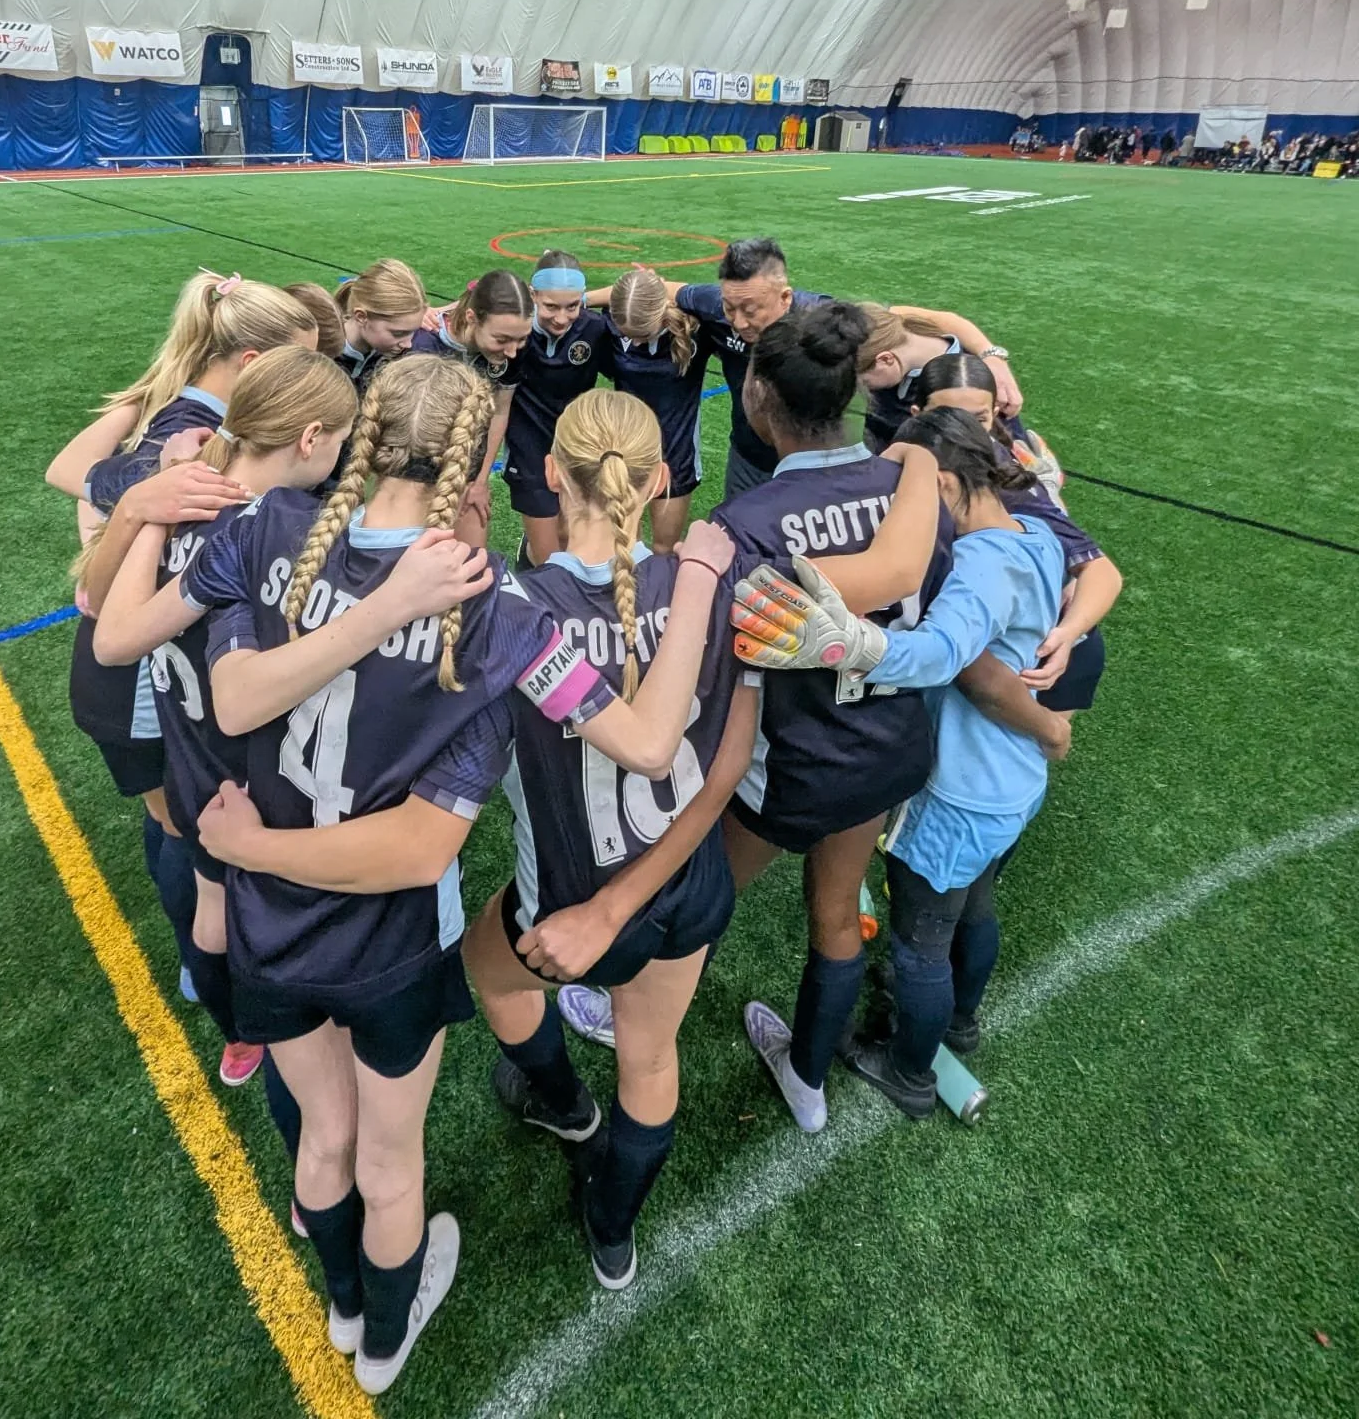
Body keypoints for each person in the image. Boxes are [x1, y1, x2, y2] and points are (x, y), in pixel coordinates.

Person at [159, 354, 727, 1389]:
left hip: (266, 922)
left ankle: (342, 1306)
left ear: (360, 434)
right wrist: (694, 577)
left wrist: (246, 852)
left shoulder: (270, 524)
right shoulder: (499, 609)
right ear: (484, 470)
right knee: (385, 1158)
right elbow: (647, 748)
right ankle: (383, 1340)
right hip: (386, 940)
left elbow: (226, 697)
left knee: (321, 1146)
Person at [464, 388, 757, 1289]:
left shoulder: (512, 608)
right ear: (661, 479)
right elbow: (725, 767)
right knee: (651, 1052)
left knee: (482, 965)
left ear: (552, 475)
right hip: (688, 884)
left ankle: (562, 1105)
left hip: (575, 900)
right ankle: (613, 1230)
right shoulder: (719, 584)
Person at [731, 407, 1075, 1118]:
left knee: (922, 938)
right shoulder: (1033, 532)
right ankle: (959, 1024)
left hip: (962, 785)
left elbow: (960, 663)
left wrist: (853, 645)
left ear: (945, 484)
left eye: (912, 497)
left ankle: (911, 1069)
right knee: (973, 909)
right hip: (1011, 780)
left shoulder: (977, 565)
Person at [86, 346, 360, 1088]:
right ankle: (288, 1039)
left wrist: (152, 507)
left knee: (212, 914)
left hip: (189, 761)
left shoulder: (186, 498)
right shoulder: (270, 530)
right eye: (337, 439)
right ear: (309, 439)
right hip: (257, 773)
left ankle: (238, 1037)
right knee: (284, 918)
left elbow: (106, 626)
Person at [44, 272, 316, 996]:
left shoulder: (188, 415)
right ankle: (208, 972)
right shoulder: (184, 441)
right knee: (186, 834)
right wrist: (137, 507)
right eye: (298, 364)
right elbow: (103, 599)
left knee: (182, 828)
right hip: (138, 684)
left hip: (145, 676)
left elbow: (69, 470)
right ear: (255, 365)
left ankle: (206, 962)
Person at [593, 239, 1019, 497]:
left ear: (785, 298)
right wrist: (571, 301)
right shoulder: (716, 304)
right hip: (748, 455)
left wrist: (992, 356)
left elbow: (929, 319)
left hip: (812, 459)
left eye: (751, 309)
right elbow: (661, 288)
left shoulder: (821, 316)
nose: (738, 321)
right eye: (730, 307)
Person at [908, 354, 1122, 713]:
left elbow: (1102, 571)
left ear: (994, 415)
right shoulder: (915, 456)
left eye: (979, 418)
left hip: (1038, 659)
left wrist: (1066, 636)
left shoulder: (1001, 486)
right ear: (916, 414)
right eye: (948, 416)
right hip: (980, 649)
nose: (965, 431)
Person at [412, 270, 535, 547]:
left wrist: (480, 482)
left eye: (522, 339)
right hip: (417, 474)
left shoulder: (510, 345)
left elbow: (500, 412)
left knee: (471, 561)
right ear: (471, 318)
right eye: (501, 340)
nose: (513, 351)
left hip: (468, 474)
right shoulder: (424, 343)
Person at [502, 251, 606, 566]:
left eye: (572, 306)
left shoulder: (595, 329)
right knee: (550, 559)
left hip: (574, 448)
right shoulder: (514, 332)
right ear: (533, 296)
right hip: (528, 449)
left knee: (569, 539)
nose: (561, 318)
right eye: (550, 306)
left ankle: (531, 555)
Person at [602, 267, 711, 553]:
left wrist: (665, 286)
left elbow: (720, 299)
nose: (636, 342)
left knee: (664, 548)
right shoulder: (609, 321)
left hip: (677, 453)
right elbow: (575, 303)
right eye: (629, 335)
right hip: (627, 451)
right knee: (625, 546)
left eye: (643, 334)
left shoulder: (695, 329)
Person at [854, 303, 1019, 455]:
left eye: (864, 383)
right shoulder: (886, 328)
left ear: (885, 360)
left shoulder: (968, 388)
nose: (859, 390)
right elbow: (899, 312)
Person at [331, 260, 428, 393]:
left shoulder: (390, 353)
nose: (408, 344)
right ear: (361, 317)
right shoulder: (323, 356)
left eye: (413, 332)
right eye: (398, 334)